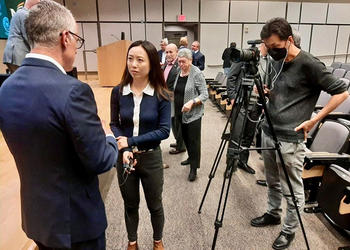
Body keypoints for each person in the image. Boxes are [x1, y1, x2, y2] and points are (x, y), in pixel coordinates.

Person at [0, 1, 119, 249]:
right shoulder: (73, 91)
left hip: (37, 220)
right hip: (75, 225)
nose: (76, 47)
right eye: (76, 38)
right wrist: (107, 136)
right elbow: (100, 160)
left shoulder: (6, 88)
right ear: (65, 37)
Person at [250, 18, 349, 250]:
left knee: (292, 189)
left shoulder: (310, 64)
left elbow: (342, 93)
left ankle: (289, 231)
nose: (271, 51)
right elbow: (282, 91)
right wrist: (268, 93)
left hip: (290, 139)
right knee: (272, 181)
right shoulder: (277, 61)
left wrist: (315, 119)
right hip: (268, 130)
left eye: (275, 46)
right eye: (268, 46)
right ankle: (273, 213)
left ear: (289, 40)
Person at [110, 40, 171, 250]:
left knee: (155, 205)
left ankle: (157, 240)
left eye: (139, 60)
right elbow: (114, 124)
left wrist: (131, 141)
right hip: (125, 158)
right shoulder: (118, 92)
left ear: (152, 64)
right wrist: (125, 148)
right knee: (130, 205)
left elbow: (164, 131)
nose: (133, 64)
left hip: (151, 158)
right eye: (130, 59)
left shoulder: (162, 94)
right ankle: (132, 241)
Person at [173, 48, 208, 181]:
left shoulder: (196, 73)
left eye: (183, 62)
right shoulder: (178, 72)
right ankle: (189, 157)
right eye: (179, 61)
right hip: (180, 112)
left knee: (194, 141)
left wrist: (192, 102)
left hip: (193, 114)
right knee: (186, 138)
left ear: (190, 60)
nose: (181, 64)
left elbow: (204, 94)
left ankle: (194, 168)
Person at [225, 46, 261, 175]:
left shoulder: (267, 62)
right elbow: (231, 77)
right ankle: (230, 165)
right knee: (236, 135)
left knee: (248, 136)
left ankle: (242, 161)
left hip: (256, 105)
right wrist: (233, 97)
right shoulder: (244, 56)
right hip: (241, 103)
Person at [3, 0, 40, 73]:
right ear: (34, 6)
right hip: (18, 56)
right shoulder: (25, 15)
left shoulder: (19, 13)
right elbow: (28, 36)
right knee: (22, 81)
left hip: (12, 55)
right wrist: (39, 50)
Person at [162, 43, 186, 156]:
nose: (168, 54)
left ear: (177, 52)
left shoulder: (179, 65)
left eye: (171, 52)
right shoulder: (165, 65)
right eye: (166, 52)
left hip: (176, 98)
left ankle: (181, 146)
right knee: (173, 121)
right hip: (167, 97)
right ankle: (178, 141)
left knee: (178, 123)